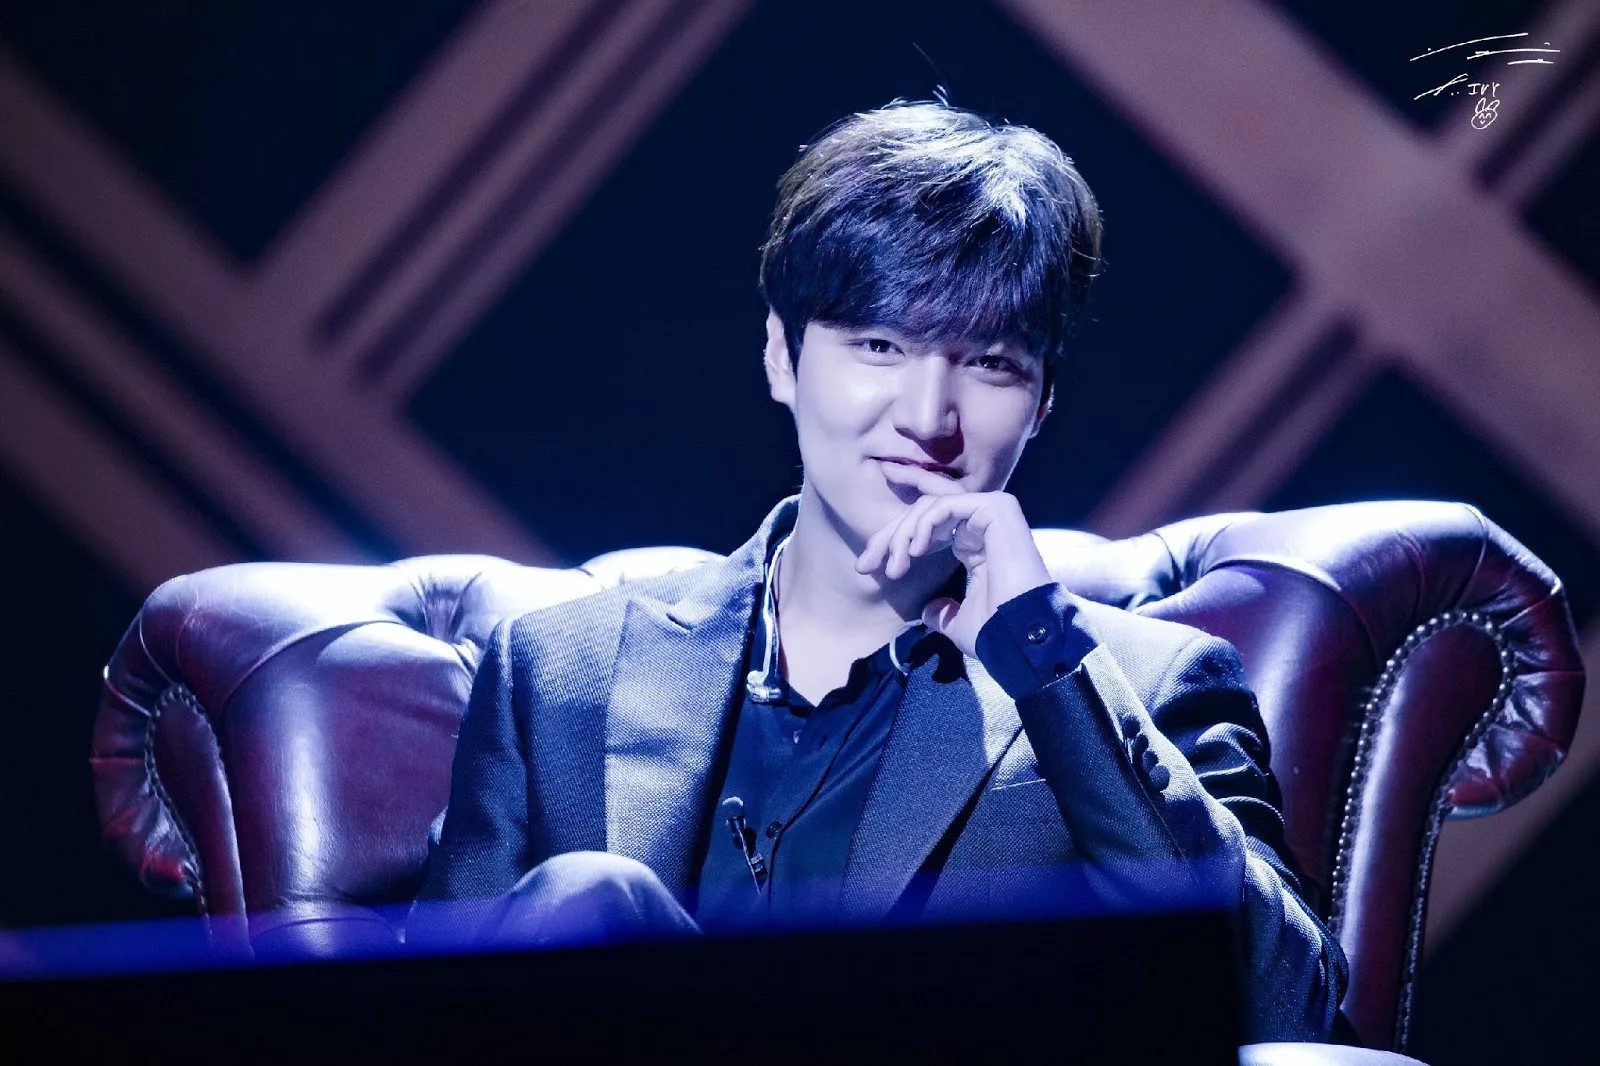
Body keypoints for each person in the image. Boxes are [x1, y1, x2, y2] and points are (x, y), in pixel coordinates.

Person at [410, 99, 1347, 1042]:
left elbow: (1286, 1008)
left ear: (1042, 403)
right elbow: (422, 1028)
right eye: (880, 346)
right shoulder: (557, 674)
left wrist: (1043, 658)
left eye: (990, 363)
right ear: (782, 356)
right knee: (589, 898)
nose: (927, 418)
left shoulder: (1144, 685)